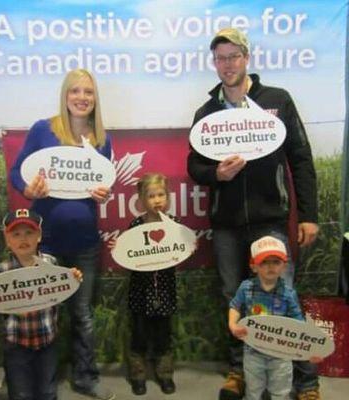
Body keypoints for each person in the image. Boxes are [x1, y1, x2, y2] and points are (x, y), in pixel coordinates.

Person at [187, 28, 320, 400]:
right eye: (220, 58)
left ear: (247, 58)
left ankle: (305, 381)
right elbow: (194, 166)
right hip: (227, 224)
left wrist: (309, 215)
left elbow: (301, 159)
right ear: (214, 63)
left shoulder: (277, 100)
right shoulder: (207, 112)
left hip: (270, 220)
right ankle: (238, 371)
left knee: (284, 295)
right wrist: (216, 174)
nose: (227, 64)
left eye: (233, 56)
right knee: (234, 296)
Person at [10, 69, 115, 400]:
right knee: (46, 314)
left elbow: (102, 185)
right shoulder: (44, 130)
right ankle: (46, 383)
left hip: (85, 242)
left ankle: (85, 377)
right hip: (49, 241)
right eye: (75, 91)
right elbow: (17, 171)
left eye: (88, 92)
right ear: (65, 95)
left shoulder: (102, 139)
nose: (82, 97)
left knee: (82, 316)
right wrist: (27, 188)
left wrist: (104, 194)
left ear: (95, 98)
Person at [0, 208, 83, 400]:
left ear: (38, 236)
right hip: (16, 343)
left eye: (29, 232)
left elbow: (62, 290)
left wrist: (72, 278)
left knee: (47, 390)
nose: (23, 239)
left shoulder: (51, 263)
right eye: (16, 234)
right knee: (20, 393)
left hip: (47, 340)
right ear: (8, 240)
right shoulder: (3, 270)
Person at [229, 236, 322, 400]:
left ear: (284, 266)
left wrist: (309, 348)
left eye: (276, 262)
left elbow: (299, 324)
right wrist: (233, 324)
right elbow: (235, 306)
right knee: (253, 389)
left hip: (281, 353)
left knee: (280, 390)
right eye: (264, 262)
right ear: (254, 266)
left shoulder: (288, 293)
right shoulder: (246, 288)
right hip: (253, 351)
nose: (270, 267)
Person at [110, 173, 177, 396]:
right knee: (138, 333)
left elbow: (182, 248)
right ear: (141, 199)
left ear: (167, 197)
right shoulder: (136, 225)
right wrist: (118, 247)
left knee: (163, 334)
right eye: (151, 196)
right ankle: (138, 375)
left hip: (165, 290)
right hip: (141, 290)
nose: (157, 200)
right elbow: (128, 251)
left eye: (161, 195)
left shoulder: (174, 224)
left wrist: (190, 244)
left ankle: (165, 374)